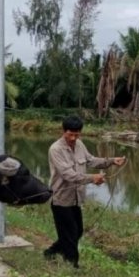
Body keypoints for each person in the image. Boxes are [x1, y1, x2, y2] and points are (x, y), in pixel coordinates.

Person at [46, 115, 126, 268]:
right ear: (63, 131)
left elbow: (91, 160)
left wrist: (111, 161)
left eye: (77, 134)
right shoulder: (55, 149)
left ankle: (51, 253)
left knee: (77, 232)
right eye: (71, 134)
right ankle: (72, 265)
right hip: (61, 199)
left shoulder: (80, 144)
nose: (74, 137)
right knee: (70, 235)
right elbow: (67, 174)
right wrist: (92, 178)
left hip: (76, 199)